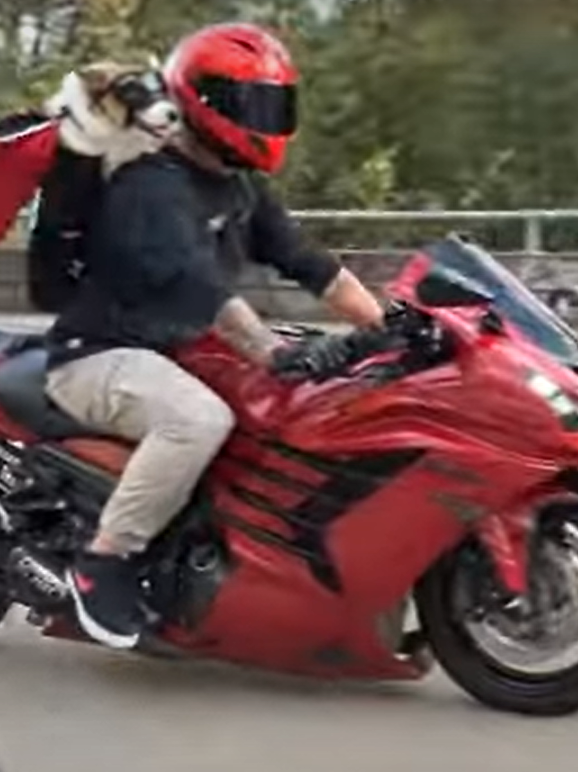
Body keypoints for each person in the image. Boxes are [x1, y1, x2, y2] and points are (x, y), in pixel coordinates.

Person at [42, 22, 386, 649]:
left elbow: (310, 263)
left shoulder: (239, 186)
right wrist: (274, 352)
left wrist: (389, 327)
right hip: (98, 355)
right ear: (207, 103)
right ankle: (104, 564)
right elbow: (205, 290)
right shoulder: (151, 188)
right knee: (197, 420)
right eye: (253, 105)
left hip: (175, 349)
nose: (267, 119)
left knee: (300, 407)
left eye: (275, 105)